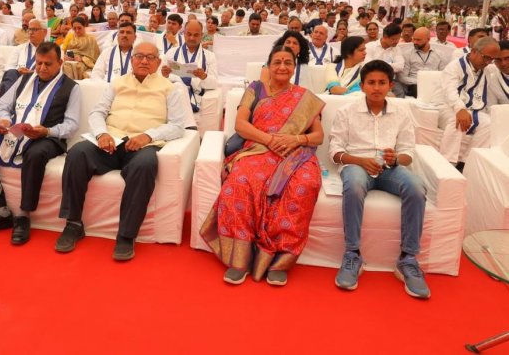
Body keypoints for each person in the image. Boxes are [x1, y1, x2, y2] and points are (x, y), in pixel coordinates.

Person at [200, 45, 324, 285]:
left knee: (305, 185)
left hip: (295, 154)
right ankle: (240, 258)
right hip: (258, 148)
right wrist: (270, 140)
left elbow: (318, 135)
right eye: (277, 62)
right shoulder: (254, 89)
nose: (282, 67)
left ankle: (280, 259)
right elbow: (240, 125)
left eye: (288, 62)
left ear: (294, 67)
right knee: (239, 182)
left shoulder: (304, 96)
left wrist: (296, 139)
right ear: (268, 66)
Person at [55, 42, 186, 260]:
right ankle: (73, 223)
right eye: (139, 56)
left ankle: (126, 234)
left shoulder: (169, 88)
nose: (144, 61)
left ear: (158, 62)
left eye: (150, 57)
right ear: (132, 59)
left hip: (142, 144)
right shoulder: (117, 83)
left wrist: (148, 136)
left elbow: (178, 126)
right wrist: (101, 134)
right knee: (78, 153)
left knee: (145, 166)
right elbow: (98, 112)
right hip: (111, 141)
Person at [330, 60, 430, 299]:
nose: (376, 87)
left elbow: (408, 153)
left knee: (417, 187)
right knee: (353, 186)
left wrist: (395, 159)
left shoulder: (402, 112)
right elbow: (334, 151)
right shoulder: (346, 112)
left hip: (389, 169)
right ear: (362, 86)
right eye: (371, 83)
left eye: (382, 83)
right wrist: (359, 160)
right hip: (356, 166)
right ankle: (352, 254)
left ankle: (408, 259)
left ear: (391, 85)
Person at [0, 42, 81, 244]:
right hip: (15, 131)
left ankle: (23, 215)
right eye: (38, 63)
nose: (42, 68)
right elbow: (3, 105)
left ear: (60, 63)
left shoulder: (71, 88)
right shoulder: (24, 79)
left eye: (48, 64)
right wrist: (3, 119)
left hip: (48, 136)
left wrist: (47, 131)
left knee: (35, 155)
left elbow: (71, 126)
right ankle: (0, 210)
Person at [432, 37, 500, 168]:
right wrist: (460, 109)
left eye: (491, 59)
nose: (488, 62)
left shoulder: (485, 70)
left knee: (490, 123)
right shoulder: (454, 67)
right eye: (486, 57)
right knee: (457, 121)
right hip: (445, 106)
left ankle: (467, 163)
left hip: (470, 108)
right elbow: (450, 91)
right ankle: (447, 164)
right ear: (474, 51)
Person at [161, 20, 218, 120]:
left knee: (179, 86)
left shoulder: (209, 56)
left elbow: (214, 83)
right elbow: (161, 79)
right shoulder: (171, 53)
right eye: (189, 34)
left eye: (196, 35)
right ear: (184, 33)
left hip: (196, 96)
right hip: (173, 96)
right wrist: (164, 75)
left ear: (202, 35)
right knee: (177, 87)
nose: (192, 38)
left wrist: (204, 77)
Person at [0, 19, 47, 95]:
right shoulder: (19, 48)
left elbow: (55, 71)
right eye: (29, 29)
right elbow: (8, 67)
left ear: (45, 32)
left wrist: (33, 72)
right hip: (18, 79)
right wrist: (18, 70)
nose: (31, 32)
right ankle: (7, 102)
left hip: (39, 80)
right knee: (11, 73)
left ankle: (7, 102)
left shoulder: (53, 50)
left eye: (35, 29)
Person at [396, 27, 446, 97]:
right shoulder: (407, 54)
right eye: (414, 39)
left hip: (434, 85)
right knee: (419, 90)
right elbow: (402, 77)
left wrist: (433, 82)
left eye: (418, 40)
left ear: (428, 39)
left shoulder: (439, 54)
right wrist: (421, 81)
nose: (415, 42)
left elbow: (443, 74)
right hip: (414, 86)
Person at [487, 40, 509, 105]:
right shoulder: (491, 81)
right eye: (498, 60)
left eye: (507, 58)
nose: (503, 63)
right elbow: (493, 109)